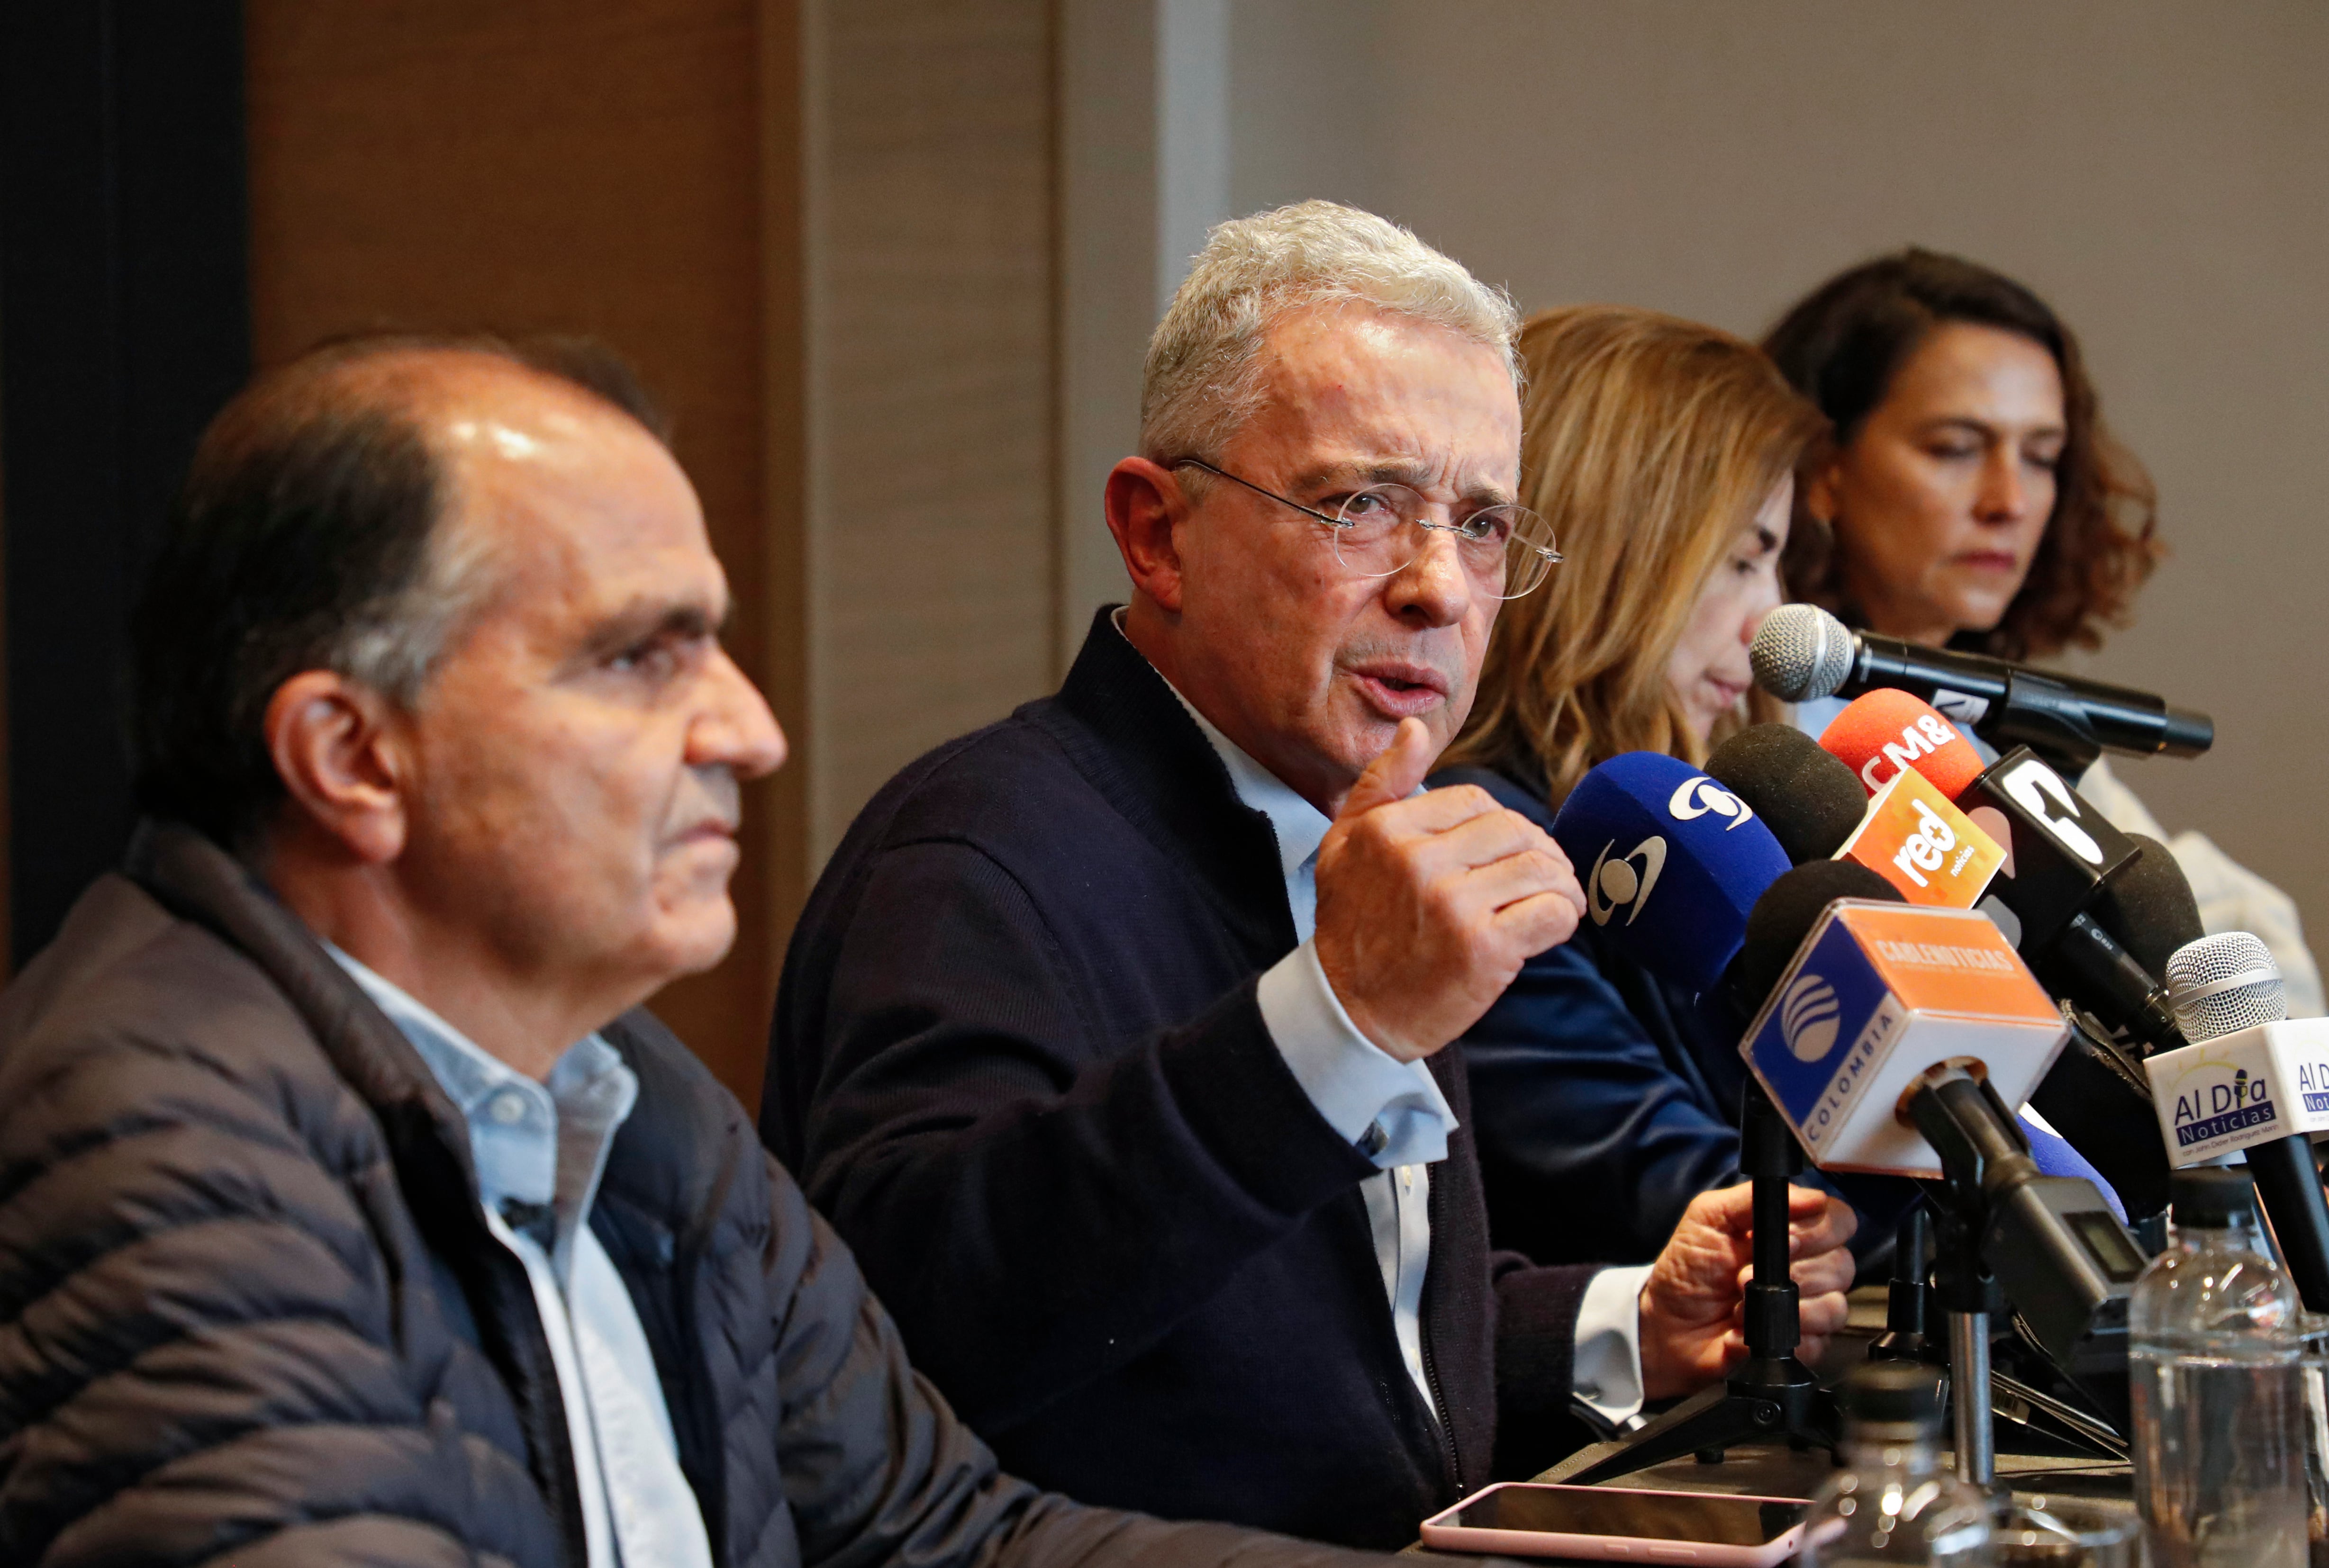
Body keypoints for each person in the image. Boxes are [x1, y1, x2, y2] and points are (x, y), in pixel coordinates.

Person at [0, 335, 1409, 1568]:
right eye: (638, 657)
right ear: (353, 756)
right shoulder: (157, 1136)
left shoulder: (623, 1080)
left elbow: (938, 1535)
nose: (750, 730)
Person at [762, 202, 1858, 1550]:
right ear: (1156, 532)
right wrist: (1335, 1025)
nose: (1438, 588)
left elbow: (1313, 1336)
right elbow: (913, 1332)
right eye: (1360, 504)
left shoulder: (1359, 816)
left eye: (1481, 524)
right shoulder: (975, 855)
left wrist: (1616, 1319)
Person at [1428, 305, 1912, 1268]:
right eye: (1739, 560)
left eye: (1773, 563)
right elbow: (1707, 1207)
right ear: (1620, 552)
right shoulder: (1481, 845)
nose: (1769, 619)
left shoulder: (1711, 842)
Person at [1763, 247, 2322, 1015]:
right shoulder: (1753, 712)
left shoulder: (2007, 726)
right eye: (1956, 448)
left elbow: (2230, 934)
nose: (2010, 500)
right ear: (1825, 469)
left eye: (2042, 457)